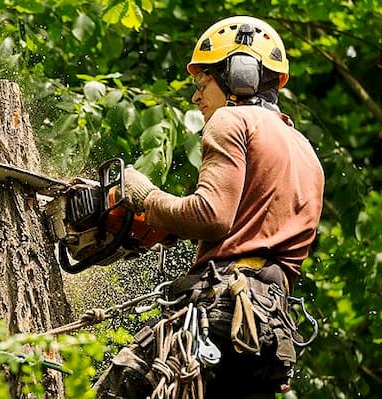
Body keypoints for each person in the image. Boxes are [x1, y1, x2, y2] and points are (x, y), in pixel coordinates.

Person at [95, 16, 324, 399]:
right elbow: (252, 227)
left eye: (202, 85)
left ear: (240, 75)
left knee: (114, 388)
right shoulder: (305, 150)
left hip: (222, 314)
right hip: (268, 332)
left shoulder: (231, 120)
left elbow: (211, 215)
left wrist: (146, 196)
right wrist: (165, 225)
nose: (195, 98)